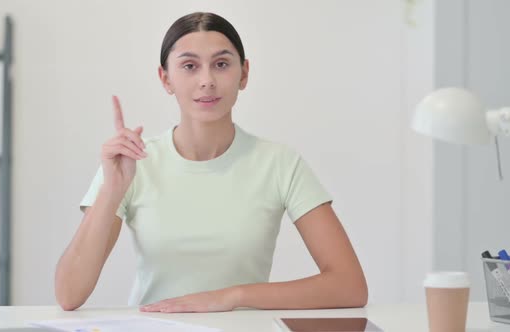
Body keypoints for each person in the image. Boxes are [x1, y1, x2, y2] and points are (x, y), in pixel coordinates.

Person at [55, 11, 367, 313]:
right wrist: (112, 190)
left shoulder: (281, 163)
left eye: (221, 64)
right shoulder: (130, 162)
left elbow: (349, 285)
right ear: (165, 79)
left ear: (244, 73)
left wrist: (233, 296)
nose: (207, 80)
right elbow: (69, 294)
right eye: (189, 66)